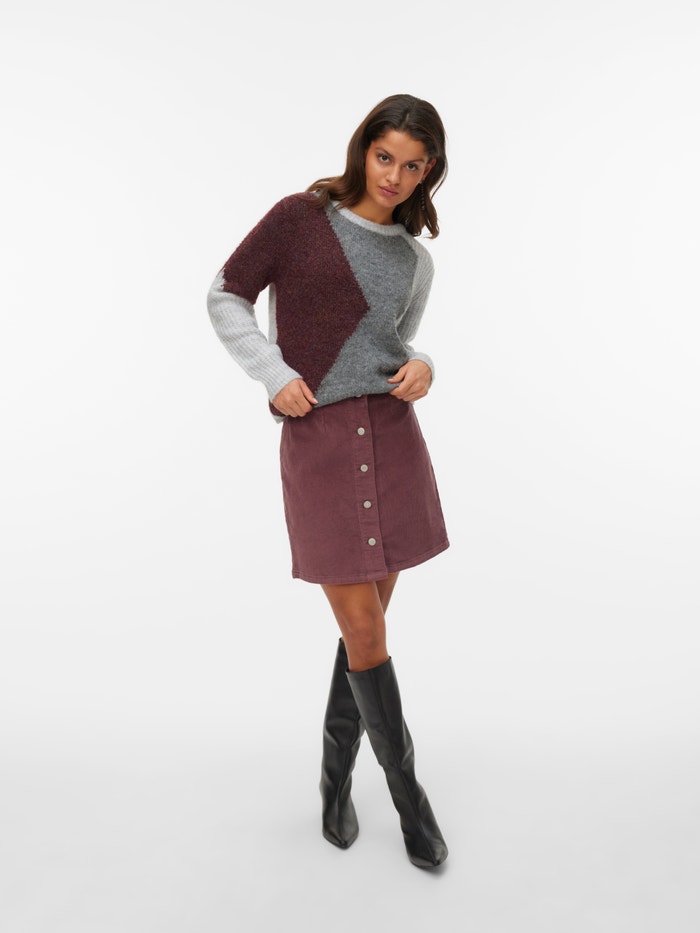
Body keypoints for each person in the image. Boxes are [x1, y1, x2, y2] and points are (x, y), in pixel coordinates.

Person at [207, 93, 450, 869]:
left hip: (393, 439)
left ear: (429, 173)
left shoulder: (414, 261)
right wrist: (272, 372)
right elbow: (226, 294)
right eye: (385, 157)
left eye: (413, 166)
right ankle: (411, 803)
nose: (395, 176)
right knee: (368, 633)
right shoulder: (300, 218)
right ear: (363, 149)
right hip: (319, 442)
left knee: (362, 632)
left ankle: (334, 782)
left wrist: (424, 365)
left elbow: (396, 342)